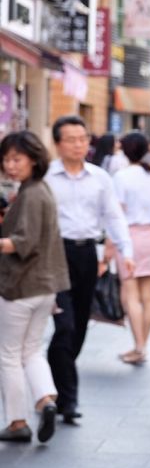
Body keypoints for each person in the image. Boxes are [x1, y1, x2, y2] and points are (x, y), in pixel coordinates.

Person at [45, 116, 135, 425]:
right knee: (65, 325)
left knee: (80, 326)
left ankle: (55, 376)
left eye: (83, 138)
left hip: (86, 255)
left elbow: (114, 217)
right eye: (71, 139)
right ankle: (66, 398)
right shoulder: (46, 178)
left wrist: (127, 251)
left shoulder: (100, 178)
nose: (78, 144)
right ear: (58, 144)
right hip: (54, 254)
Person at [0, 132, 69, 443]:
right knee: (31, 349)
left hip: (21, 286)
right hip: (46, 285)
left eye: (16, 159)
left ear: (33, 159)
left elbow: (22, 243)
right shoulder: (41, 189)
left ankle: (17, 422)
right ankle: (46, 400)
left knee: (9, 354)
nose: (10, 166)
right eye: (6, 160)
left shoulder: (30, 194)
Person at [112, 133, 150, 365]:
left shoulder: (121, 176)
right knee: (147, 295)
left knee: (131, 296)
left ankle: (139, 346)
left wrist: (109, 247)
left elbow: (116, 215)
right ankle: (142, 345)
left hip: (127, 236)